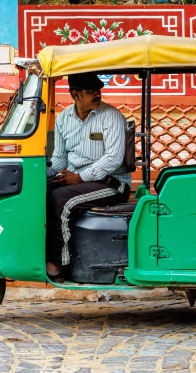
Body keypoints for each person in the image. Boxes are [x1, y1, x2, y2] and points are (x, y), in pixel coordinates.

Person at [46, 72, 131, 278]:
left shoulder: (111, 116)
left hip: (112, 184)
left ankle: (59, 264)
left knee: (60, 199)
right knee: (41, 192)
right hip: (78, 181)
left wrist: (80, 177)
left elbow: (113, 159)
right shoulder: (63, 119)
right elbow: (60, 159)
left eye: (98, 90)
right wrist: (41, 177)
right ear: (75, 94)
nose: (97, 94)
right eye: (90, 91)